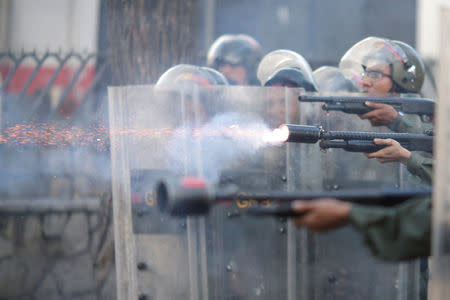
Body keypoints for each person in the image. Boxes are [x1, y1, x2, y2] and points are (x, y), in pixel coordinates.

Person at [339, 37, 432, 133]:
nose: (364, 82)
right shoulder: (362, 119)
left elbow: (434, 143)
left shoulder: (429, 119)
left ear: (400, 82)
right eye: (365, 75)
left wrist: (396, 122)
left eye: (375, 75)